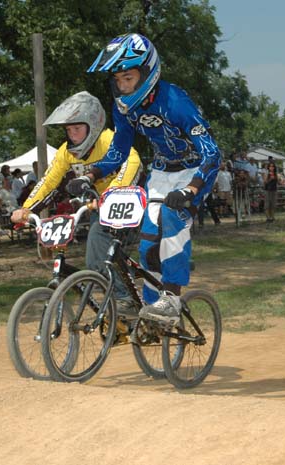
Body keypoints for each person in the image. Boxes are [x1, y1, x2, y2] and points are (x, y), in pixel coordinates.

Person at [69, 33, 222, 326]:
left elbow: (212, 153)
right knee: (149, 240)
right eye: (118, 80)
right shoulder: (124, 108)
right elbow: (118, 152)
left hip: (194, 170)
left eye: (128, 78)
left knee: (172, 219)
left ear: (148, 71)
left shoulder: (176, 101)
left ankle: (172, 299)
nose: (123, 86)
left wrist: (191, 189)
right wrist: (90, 174)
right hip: (162, 172)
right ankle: (151, 309)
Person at [10, 91, 142, 316]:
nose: (72, 134)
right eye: (69, 130)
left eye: (77, 128)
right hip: (100, 210)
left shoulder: (109, 140)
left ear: (93, 124)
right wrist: (26, 208)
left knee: (97, 248)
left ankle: (125, 299)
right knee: (96, 261)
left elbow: (133, 162)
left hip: (131, 204)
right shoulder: (66, 152)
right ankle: (117, 310)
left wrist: (111, 195)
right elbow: (49, 181)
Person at [263, 157, 284, 223]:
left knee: (273, 204)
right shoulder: (266, 173)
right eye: (270, 166)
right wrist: (270, 179)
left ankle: (272, 217)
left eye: (273, 166)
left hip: (274, 190)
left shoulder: (276, 174)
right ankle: (268, 218)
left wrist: (282, 182)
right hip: (267, 191)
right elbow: (265, 182)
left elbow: (278, 182)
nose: (271, 167)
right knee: (267, 205)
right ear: (268, 167)